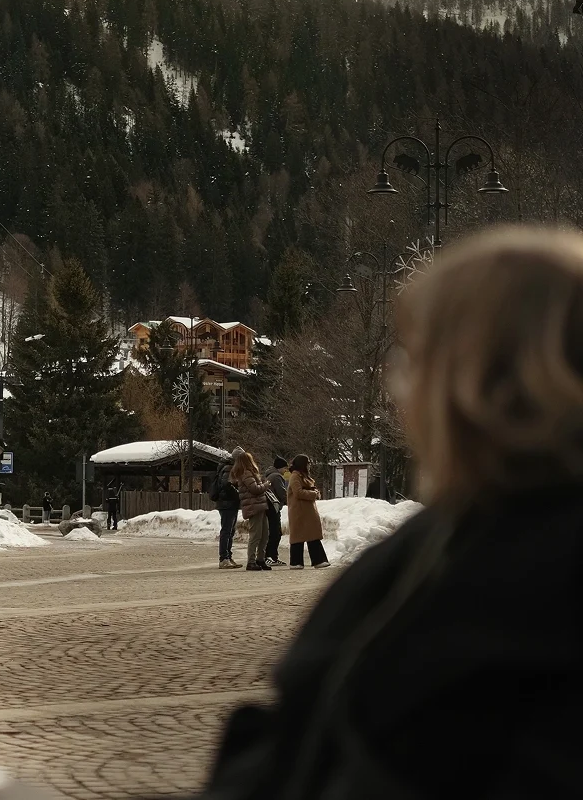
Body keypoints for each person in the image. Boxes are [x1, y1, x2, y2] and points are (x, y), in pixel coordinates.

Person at [198, 228, 583, 799]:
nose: (403, 391)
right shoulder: (442, 547)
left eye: (415, 360)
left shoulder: (441, 575)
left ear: (471, 385)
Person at [229, 450, 271, 572]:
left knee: (264, 534)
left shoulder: (246, 473)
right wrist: (266, 485)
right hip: (254, 507)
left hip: (258, 506)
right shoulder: (246, 473)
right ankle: (251, 561)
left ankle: (260, 559)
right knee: (256, 535)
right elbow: (255, 489)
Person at [287, 455, 330, 569]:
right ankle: (297, 562)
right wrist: (313, 494)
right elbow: (298, 492)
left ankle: (318, 560)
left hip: (307, 510)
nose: (309, 465)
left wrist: (315, 492)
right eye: (308, 463)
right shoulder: (295, 476)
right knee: (298, 536)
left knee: (312, 535)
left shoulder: (303, 476)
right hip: (299, 511)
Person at [212, 449, 243, 569]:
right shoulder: (229, 469)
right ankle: (224, 557)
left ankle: (228, 556)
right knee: (227, 531)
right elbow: (226, 485)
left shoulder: (228, 468)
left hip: (228, 503)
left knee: (230, 531)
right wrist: (238, 493)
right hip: (227, 504)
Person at [262, 456, 288, 566]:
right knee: (276, 533)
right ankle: (271, 556)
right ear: (280, 467)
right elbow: (282, 493)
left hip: (267, 507)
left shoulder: (269, 475)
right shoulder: (277, 477)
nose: (286, 470)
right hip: (273, 507)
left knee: (272, 532)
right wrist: (289, 500)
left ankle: (270, 555)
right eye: (285, 468)